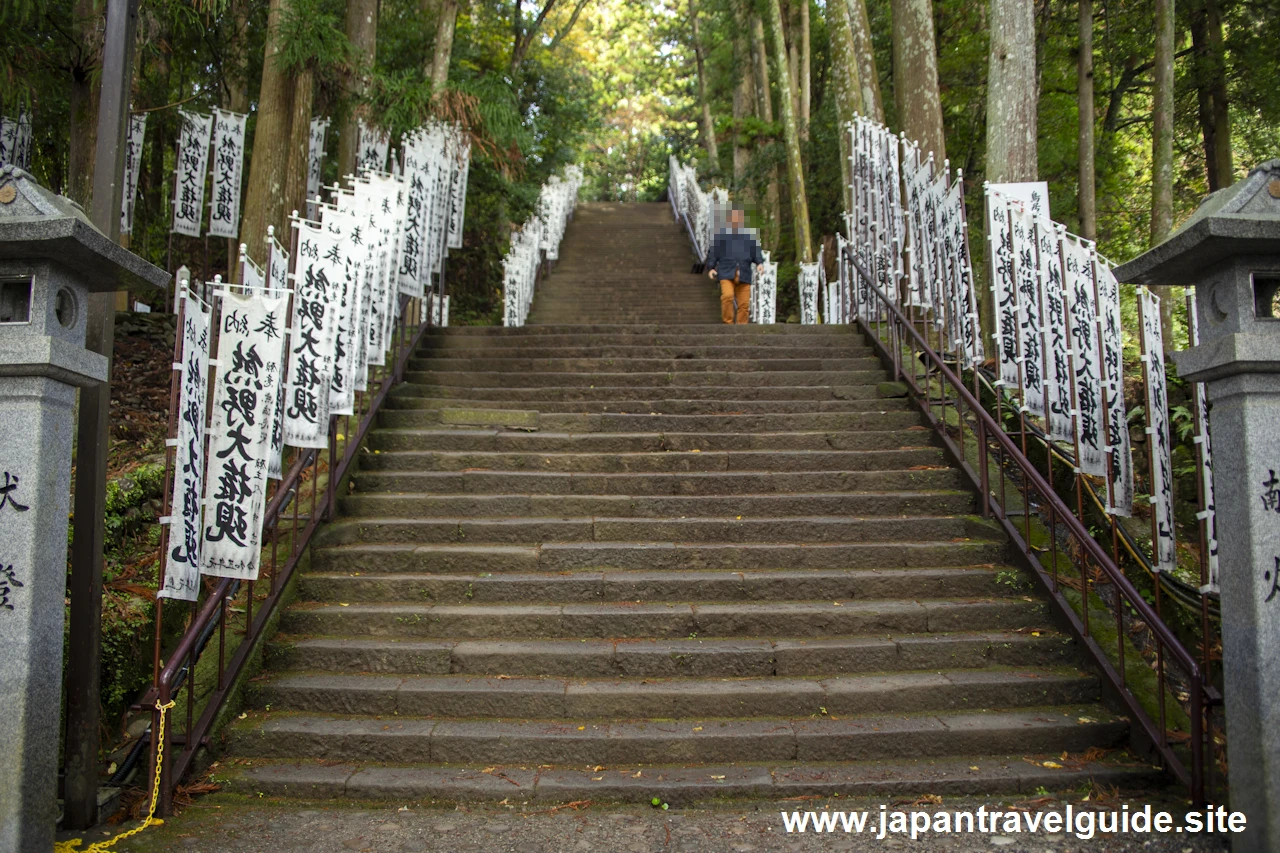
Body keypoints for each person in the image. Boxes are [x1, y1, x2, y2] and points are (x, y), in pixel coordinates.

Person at [706, 208, 764, 325]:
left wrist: (759, 263)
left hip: (744, 273)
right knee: (727, 296)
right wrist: (711, 268)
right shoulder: (721, 237)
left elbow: (756, 252)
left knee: (744, 304)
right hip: (726, 272)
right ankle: (728, 323)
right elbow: (713, 254)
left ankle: (742, 327)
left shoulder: (749, 237)